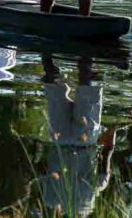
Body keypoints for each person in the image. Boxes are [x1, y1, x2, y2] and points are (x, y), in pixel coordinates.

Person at [37, 53, 115, 217]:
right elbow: (41, 169)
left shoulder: (87, 203)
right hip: (60, 140)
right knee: (54, 90)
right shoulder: (50, 200)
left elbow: (103, 171)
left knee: (87, 85)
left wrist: (110, 142)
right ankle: (46, 53)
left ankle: (87, 51)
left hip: (84, 140)